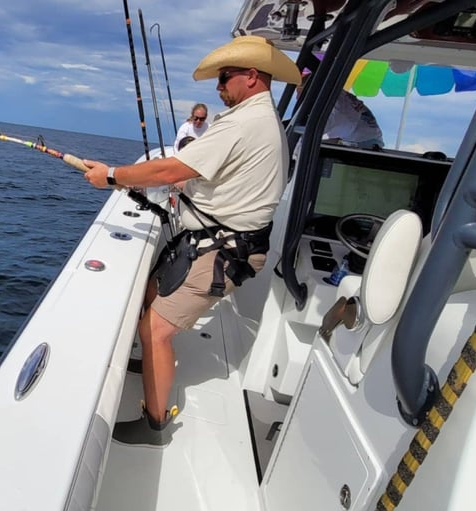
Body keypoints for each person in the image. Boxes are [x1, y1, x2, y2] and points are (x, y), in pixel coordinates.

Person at [83, 35, 300, 446]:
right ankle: (148, 364)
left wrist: (110, 176)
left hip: (226, 248)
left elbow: (168, 170)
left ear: (252, 77)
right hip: (209, 237)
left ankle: (156, 424)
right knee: (148, 293)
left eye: (225, 77)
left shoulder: (244, 122)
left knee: (155, 328)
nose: (219, 86)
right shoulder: (261, 120)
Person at [297, 73, 384, 149]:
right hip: (364, 138)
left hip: (364, 146)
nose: (297, 98)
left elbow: (310, 133)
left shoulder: (336, 114)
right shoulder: (334, 94)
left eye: (301, 95)